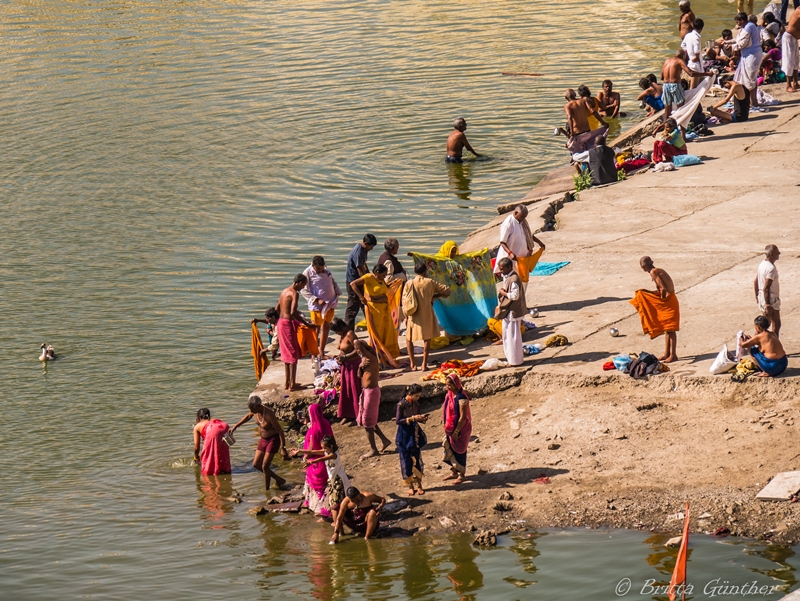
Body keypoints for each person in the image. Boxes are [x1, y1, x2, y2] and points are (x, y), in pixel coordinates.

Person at [230, 396, 290, 490]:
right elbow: (247, 416)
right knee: (256, 465)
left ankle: (267, 491)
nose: (251, 411)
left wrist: (283, 448)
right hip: (263, 440)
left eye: (252, 409)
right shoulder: (255, 411)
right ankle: (279, 479)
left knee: (265, 466)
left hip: (273, 440)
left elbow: (280, 431)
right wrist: (235, 426)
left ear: (258, 406)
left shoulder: (269, 414)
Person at [349, 264, 402, 367]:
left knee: (386, 332)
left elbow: (384, 289)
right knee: (376, 334)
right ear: (377, 273)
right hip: (374, 310)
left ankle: (387, 357)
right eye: (383, 275)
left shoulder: (381, 280)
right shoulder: (368, 277)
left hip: (385, 310)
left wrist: (394, 284)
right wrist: (361, 297)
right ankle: (378, 357)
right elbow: (353, 284)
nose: (384, 277)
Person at [631, 256, 679, 363]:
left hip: (669, 301)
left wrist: (660, 302)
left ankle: (673, 355)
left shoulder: (653, 272)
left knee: (671, 330)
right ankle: (666, 354)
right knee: (667, 330)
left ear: (643, 266)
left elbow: (663, 289)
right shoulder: (657, 270)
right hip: (671, 299)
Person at [404, 262, 451, 371]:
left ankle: (413, 364)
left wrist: (406, 316)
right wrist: (435, 296)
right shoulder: (430, 282)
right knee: (427, 340)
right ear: (425, 272)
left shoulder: (409, 283)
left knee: (408, 339)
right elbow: (447, 291)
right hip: (426, 314)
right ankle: (424, 364)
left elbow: (405, 302)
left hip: (413, 314)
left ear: (415, 271)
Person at [276, 274, 318, 391]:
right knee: (293, 354)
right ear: (298, 283)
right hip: (287, 325)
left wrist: (284, 315)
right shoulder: (294, 294)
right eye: (303, 285)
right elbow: (293, 312)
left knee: (286, 353)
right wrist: (307, 323)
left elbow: (277, 309)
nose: (303, 287)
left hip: (281, 322)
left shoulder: (284, 291)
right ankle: (293, 384)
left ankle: (287, 383)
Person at [353, 338, 393, 459]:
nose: (356, 350)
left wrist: (356, 343)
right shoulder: (365, 360)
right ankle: (385, 440)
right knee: (369, 421)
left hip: (371, 393)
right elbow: (359, 375)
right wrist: (360, 366)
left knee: (367, 423)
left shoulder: (370, 357)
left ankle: (373, 449)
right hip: (366, 392)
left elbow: (358, 343)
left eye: (357, 349)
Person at [295, 403, 335, 516]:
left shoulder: (314, 430)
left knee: (315, 484)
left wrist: (305, 457)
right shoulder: (326, 423)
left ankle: (319, 508)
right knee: (327, 484)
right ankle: (328, 506)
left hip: (316, 460)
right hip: (327, 457)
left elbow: (311, 448)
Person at [300, 435, 350, 524]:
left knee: (336, 501)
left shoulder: (333, 454)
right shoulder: (327, 451)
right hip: (332, 479)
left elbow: (323, 458)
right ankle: (336, 517)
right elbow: (313, 451)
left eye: (325, 448)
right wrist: (300, 451)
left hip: (338, 479)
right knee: (333, 499)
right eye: (322, 448)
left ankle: (337, 521)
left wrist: (312, 462)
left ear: (331, 446)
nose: (323, 450)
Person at [301, 256, 342, 360]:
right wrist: (316, 299)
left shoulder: (326, 269)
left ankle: (321, 352)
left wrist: (337, 290)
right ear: (313, 265)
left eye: (322, 268)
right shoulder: (307, 272)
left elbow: (331, 281)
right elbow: (303, 290)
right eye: (318, 269)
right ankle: (314, 354)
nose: (321, 271)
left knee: (326, 327)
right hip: (317, 306)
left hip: (330, 303)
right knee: (316, 328)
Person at [494, 205, 546, 285]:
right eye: (522, 217)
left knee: (523, 282)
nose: (523, 219)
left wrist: (539, 242)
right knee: (511, 283)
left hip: (523, 259)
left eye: (524, 217)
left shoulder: (523, 222)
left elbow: (528, 235)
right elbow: (502, 242)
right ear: (515, 213)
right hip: (512, 260)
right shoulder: (508, 223)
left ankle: (522, 297)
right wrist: (510, 253)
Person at [395, 383, 428, 496]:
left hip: (414, 435)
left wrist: (421, 418)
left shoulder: (415, 403)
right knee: (406, 460)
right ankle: (410, 485)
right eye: (417, 396)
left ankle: (419, 485)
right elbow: (398, 420)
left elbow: (417, 415)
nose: (418, 398)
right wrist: (412, 418)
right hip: (404, 436)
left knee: (417, 459)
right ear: (410, 394)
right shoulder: (401, 405)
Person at [726, 12, 764, 108]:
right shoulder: (746, 27)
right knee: (747, 78)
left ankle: (754, 102)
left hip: (752, 55)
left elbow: (743, 43)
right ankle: (749, 101)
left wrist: (732, 47)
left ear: (742, 20)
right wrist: (726, 42)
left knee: (750, 79)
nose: (737, 24)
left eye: (738, 22)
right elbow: (739, 39)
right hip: (748, 55)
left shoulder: (748, 27)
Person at [661, 49, 710, 121]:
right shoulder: (680, 61)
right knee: (681, 107)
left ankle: (666, 128)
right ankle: (681, 127)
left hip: (665, 86)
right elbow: (691, 74)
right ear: (683, 56)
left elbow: (662, 77)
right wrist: (707, 74)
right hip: (675, 85)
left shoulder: (667, 60)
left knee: (667, 109)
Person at [495, 257, 527, 366]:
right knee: (507, 335)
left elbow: (515, 295)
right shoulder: (508, 277)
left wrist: (504, 294)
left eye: (502, 269)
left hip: (513, 312)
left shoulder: (514, 279)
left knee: (513, 337)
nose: (501, 271)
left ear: (509, 267)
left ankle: (515, 361)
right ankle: (511, 359)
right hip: (509, 312)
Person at [441, 374, 472, 485]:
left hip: (460, 429)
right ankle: (454, 471)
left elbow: (462, 417)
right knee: (451, 448)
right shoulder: (449, 395)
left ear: (455, 384)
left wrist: (456, 431)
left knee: (460, 450)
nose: (447, 387)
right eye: (446, 384)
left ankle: (461, 475)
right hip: (451, 428)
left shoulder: (461, 398)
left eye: (449, 385)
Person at [330, 318, 361, 424]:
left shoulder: (350, 334)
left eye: (337, 331)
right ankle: (348, 414)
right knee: (346, 391)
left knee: (354, 390)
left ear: (342, 327)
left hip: (354, 366)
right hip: (345, 366)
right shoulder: (342, 335)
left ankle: (357, 414)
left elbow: (358, 350)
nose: (337, 334)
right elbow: (342, 350)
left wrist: (346, 357)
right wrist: (340, 358)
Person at [344, 234, 378, 330]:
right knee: (353, 307)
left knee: (365, 304)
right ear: (366, 244)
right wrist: (367, 280)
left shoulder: (363, 250)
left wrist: (369, 274)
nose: (372, 249)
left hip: (358, 280)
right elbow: (360, 270)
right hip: (354, 281)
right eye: (371, 246)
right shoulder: (358, 252)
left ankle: (372, 326)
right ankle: (348, 332)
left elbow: (363, 265)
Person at [564, 88, 609, 158]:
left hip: (577, 134)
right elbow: (593, 111)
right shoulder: (584, 100)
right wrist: (603, 123)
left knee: (577, 155)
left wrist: (572, 133)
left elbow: (570, 117)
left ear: (566, 98)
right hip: (588, 131)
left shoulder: (567, 106)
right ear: (575, 94)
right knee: (590, 150)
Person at [193, 408, 232, 476]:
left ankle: (211, 473)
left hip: (211, 429)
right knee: (222, 451)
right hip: (224, 426)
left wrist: (196, 457)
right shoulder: (214, 420)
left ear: (198, 418)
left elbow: (196, 447)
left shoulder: (198, 426)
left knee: (209, 456)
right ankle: (225, 470)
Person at [755, 245, 781, 337]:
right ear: (771, 255)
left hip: (762, 297)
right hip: (770, 299)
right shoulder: (771, 268)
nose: (779, 253)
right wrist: (768, 305)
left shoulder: (762, 264)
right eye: (777, 252)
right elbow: (766, 287)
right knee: (776, 324)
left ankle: (753, 345)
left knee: (763, 325)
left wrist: (757, 296)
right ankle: (775, 347)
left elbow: (756, 281)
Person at [682, 19, 705, 89]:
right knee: (694, 87)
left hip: (691, 61)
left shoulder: (688, 35)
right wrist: (695, 58)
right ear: (701, 28)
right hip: (695, 63)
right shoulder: (696, 38)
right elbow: (697, 51)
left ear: (693, 26)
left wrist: (689, 53)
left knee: (693, 86)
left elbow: (683, 45)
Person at [782, 18, 799, 91]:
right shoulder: (798, 11)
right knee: (789, 60)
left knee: (796, 60)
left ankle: (795, 82)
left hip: (794, 38)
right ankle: (788, 85)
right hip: (789, 37)